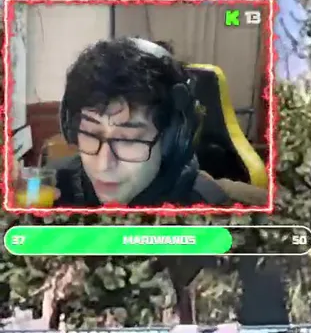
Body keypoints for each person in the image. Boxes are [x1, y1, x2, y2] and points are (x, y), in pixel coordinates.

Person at [47, 37, 257, 208]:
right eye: (91, 134)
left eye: (128, 140)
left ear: (172, 140)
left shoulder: (232, 211)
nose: (103, 165)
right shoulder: (50, 190)